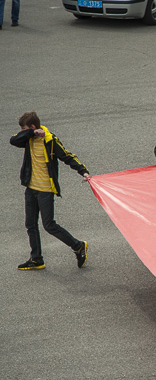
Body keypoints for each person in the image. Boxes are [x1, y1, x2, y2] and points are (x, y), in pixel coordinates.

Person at [11, 111, 90, 271]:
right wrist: (30, 133)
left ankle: (78, 246)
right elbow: (13, 140)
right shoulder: (27, 138)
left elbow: (67, 156)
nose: (21, 132)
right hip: (31, 188)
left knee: (49, 225)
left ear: (33, 126)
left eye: (24, 128)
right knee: (30, 224)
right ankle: (36, 259)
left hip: (45, 190)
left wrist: (83, 171)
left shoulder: (50, 140)